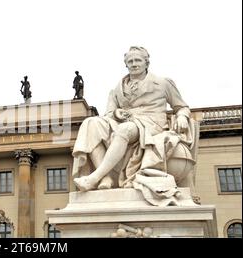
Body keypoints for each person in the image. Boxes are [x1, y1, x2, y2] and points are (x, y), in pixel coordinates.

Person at [72, 46, 194, 194]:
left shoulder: (163, 83)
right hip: (125, 121)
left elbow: (181, 106)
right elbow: (109, 113)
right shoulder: (117, 89)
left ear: (146, 63)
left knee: (125, 129)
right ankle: (105, 178)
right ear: (126, 64)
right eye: (130, 61)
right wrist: (117, 113)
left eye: (138, 60)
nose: (134, 64)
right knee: (90, 124)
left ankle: (94, 177)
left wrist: (182, 116)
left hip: (150, 123)